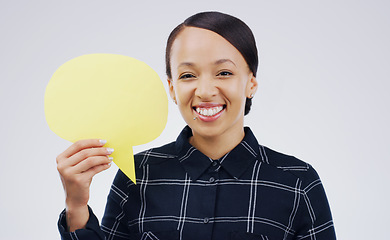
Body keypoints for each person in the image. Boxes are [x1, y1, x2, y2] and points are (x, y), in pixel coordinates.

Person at [57, 11, 336, 240]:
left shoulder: (298, 182)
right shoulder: (137, 177)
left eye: (224, 72)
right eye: (188, 75)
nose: (204, 90)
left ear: (251, 82)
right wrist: (77, 206)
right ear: (172, 88)